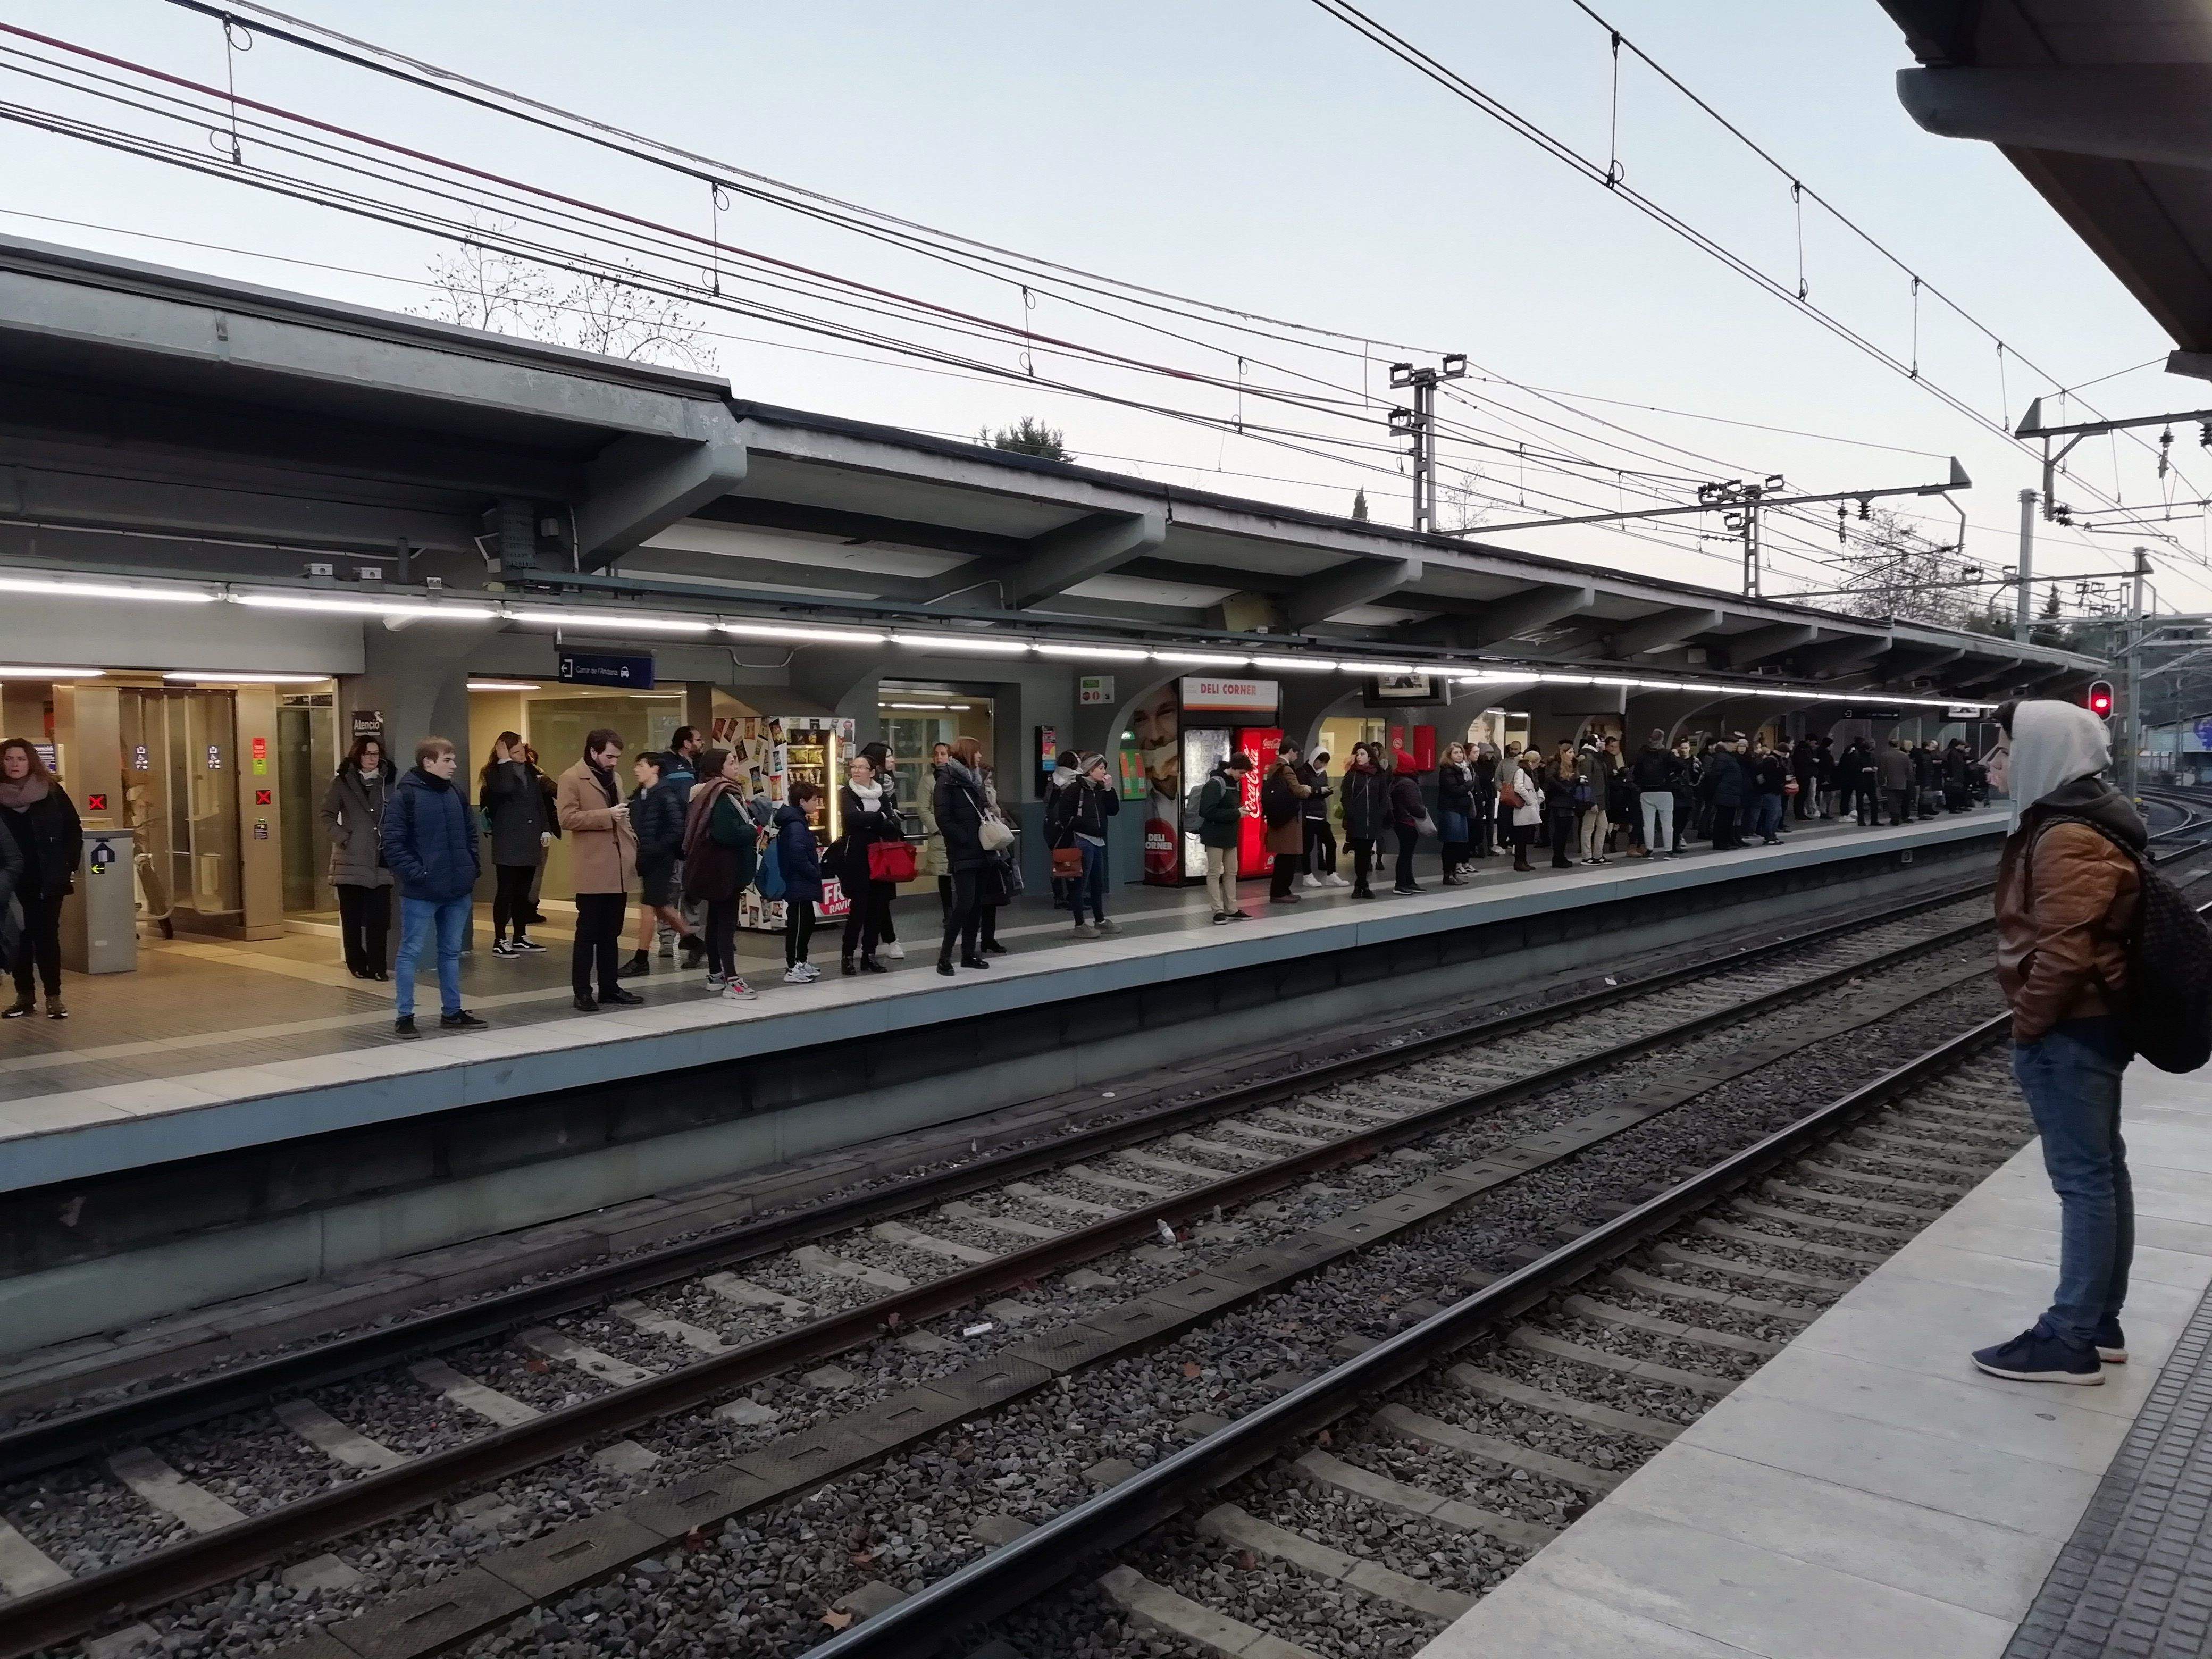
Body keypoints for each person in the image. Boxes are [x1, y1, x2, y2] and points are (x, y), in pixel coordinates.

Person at [1971, 699, 2144, 1385]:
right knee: (2102, 1172)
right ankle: (2098, 1323)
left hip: (2073, 1027)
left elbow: (2063, 953)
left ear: (2041, 755)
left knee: (2083, 1181)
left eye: (2005, 750)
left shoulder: (2065, 835)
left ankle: (2069, 1338)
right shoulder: (2084, 819)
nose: (1993, 763)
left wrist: (2028, 1024)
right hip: (2094, 1020)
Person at [379, 735, 483, 1037]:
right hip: (421, 891)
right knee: (410, 952)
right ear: (428, 762)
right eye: (447, 760)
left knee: (450, 953)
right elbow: (393, 844)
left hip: (456, 889)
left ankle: (452, 1012)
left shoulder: (456, 794)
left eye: (453, 759)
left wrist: (470, 869)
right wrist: (420, 874)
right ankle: (405, 1016)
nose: (454, 765)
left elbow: (470, 835)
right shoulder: (406, 797)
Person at [556, 728, 642, 1012]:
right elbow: (567, 818)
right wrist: (606, 816)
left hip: (618, 865)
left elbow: (622, 815)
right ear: (593, 752)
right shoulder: (571, 778)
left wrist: (633, 843)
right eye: (609, 756)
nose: (615, 762)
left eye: (617, 756)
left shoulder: (615, 778)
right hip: (592, 867)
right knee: (588, 933)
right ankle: (582, 991)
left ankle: (610, 987)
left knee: (612, 932)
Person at [0, 739, 79, 1019]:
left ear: (31, 761)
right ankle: (24, 996)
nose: (14, 764)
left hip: (46, 879)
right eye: (9, 758)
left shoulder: (51, 791)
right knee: (17, 937)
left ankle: (54, 997)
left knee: (46, 937)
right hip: (10, 882)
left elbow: (73, 828)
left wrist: (69, 865)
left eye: (20, 759)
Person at [680, 747, 758, 1000]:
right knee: (725, 926)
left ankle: (715, 974)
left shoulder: (708, 792)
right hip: (726, 870)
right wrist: (752, 830)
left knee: (714, 922)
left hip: (716, 868)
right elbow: (727, 833)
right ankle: (732, 980)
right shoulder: (722, 795)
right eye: (731, 762)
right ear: (719, 767)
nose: (736, 766)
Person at [322, 735, 395, 979]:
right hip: (350, 859)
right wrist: (344, 837)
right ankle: (356, 963)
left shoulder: (389, 782)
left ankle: (378, 966)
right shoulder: (342, 783)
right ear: (358, 756)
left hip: (380, 857)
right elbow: (326, 816)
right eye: (367, 754)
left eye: (376, 754)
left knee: (378, 917)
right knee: (352, 918)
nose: (372, 759)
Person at [477, 731, 554, 959]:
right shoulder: (495, 773)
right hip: (509, 842)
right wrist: (505, 763)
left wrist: (545, 827)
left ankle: (520, 936)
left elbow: (538, 802)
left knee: (523, 891)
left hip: (530, 839)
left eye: (522, 750)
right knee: (506, 891)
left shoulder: (531, 771)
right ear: (504, 753)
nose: (522, 755)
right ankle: (500, 939)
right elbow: (505, 790)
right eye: (516, 752)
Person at [623, 752, 698, 976]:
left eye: (641, 765)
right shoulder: (640, 796)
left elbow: (677, 830)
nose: (636, 770)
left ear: (655, 768)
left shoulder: (666, 795)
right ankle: (694, 942)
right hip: (647, 858)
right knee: (661, 906)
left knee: (648, 907)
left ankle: (641, 958)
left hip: (661, 859)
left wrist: (657, 849)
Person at [835, 752, 901, 974]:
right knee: (858, 909)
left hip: (881, 857)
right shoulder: (846, 793)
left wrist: (878, 820)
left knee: (878, 907)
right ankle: (847, 956)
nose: (855, 771)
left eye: (861, 767)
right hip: (857, 857)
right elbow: (852, 818)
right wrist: (879, 818)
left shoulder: (881, 794)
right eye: (853, 767)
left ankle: (869, 955)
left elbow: (892, 822)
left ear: (872, 772)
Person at [934, 738, 994, 974]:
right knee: (964, 904)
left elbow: (982, 809)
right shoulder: (947, 781)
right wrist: (965, 838)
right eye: (977, 752)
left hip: (981, 848)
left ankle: (969, 954)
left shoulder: (974, 779)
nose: (980, 757)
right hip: (963, 850)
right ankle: (944, 957)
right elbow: (943, 818)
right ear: (968, 753)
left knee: (976, 904)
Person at [1045, 750, 1121, 935]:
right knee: (1080, 883)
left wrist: (1110, 790)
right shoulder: (1075, 789)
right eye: (1101, 768)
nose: (1104, 772)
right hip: (1082, 840)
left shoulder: (1100, 790)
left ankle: (1100, 919)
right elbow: (1064, 815)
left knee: (1097, 883)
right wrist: (1084, 826)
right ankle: (1080, 924)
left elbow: (1113, 811)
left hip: (1098, 841)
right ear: (1089, 770)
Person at [657, 726, 705, 967]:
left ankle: (691, 937)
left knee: (693, 891)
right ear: (687, 743)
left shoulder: (700, 766)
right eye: (698, 740)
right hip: (675, 839)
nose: (702, 743)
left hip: (696, 838)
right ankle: (667, 940)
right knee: (671, 888)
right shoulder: (665, 764)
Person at [857, 740, 906, 961]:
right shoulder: (857, 789)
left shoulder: (887, 786)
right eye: (887, 757)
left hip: (888, 848)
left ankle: (880, 941)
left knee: (882, 897)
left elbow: (892, 818)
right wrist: (883, 818)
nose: (892, 761)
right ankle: (886, 940)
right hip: (867, 850)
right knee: (875, 898)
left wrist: (890, 820)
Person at [774, 780, 825, 984]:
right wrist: (814, 872)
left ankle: (801, 961)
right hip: (799, 882)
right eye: (815, 800)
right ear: (803, 802)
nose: (817, 804)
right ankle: (794, 965)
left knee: (807, 921)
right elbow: (797, 856)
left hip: (801, 883)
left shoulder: (797, 821)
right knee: (799, 923)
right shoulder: (795, 825)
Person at [1198, 750, 1253, 921]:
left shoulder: (1235, 784)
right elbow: (1206, 811)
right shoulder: (1215, 784)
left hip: (1229, 835)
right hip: (1214, 835)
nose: (1243, 777)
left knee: (1231, 872)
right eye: (1241, 773)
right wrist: (1236, 813)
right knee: (1214, 872)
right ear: (1232, 768)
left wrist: (1238, 812)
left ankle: (1231, 908)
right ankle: (1218, 911)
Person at [1262, 741, 1313, 903]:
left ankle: (1283, 890)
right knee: (1288, 857)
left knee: (1283, 856)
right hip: (1288, 820)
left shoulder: (1273, 768)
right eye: (1296, 753)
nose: (1297, 756)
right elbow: (1297, 791)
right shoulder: (1287, 769)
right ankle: (1280, 892)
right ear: (1290, 751)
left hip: (1277, 817)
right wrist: (1307, 789)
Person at [1337, 742, 1387, 899]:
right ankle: (1361, 884)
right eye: (1357, 754)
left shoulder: (1378, 774)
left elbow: (1384, 797)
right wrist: (1351, 813)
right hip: (1357, 820)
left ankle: (1362, 885)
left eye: (1363, 754)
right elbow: (1345, 797)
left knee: (1366, 853)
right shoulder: (1351, 775)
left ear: (1370, 757)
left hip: (1372, 820)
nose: (1360, 757)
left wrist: (1379, 814)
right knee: (1360, 854)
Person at [917, 741, 952, 926]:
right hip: (941, 836)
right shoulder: (928, 779)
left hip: (958, 834)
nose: (940, 757)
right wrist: (939, 829)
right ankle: (948, 912)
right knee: (944, 874)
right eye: (937, 753)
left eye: (944, 753)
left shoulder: (957, 777)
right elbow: (923, 809)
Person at [1630, 730, 1678, 859]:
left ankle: (1649, 851)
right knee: (1667, 823)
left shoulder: (1642, 755)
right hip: (1665, 791)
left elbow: (1635, 773)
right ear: (1662, 739)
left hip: (1646, 792)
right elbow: (1680, 767)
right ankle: (1669, 851)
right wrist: (1671, 778)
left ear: (1650, 739)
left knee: (1648, 823)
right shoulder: (1668, 754)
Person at [1300, 748, 1344, 887]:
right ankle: (1307, 875)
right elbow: (1302, 791)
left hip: (1321, 815)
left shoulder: (1323, 773)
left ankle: (1332, 874)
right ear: (1314, 759)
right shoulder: (1303, 772)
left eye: (1325, 763)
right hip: (1308, 815)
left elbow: (1321, 789)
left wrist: (1326, 792)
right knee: (1307, 847)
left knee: (1331, 843)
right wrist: (1318, 791)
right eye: (1321, 762)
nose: (1322, 766)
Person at [1435, 742, 1474, 885]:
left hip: (1461, 810)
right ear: (1449, 755)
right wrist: (1469, 785)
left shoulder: (1466, 769)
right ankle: (1448, 873)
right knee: (1450, 842)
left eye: (1460, 752)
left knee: (1459, 843)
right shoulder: (1447, 770)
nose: (1459, 755)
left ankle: (1454, 872)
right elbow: (1455, 790)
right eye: (1455, 753)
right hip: (1450, 810)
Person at [1387, 750, 1425, 894]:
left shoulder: (1397, 781)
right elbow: (1414, 805)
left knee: (1406, 853)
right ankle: (1401, 883)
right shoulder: (1408, 783)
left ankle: (1409, 881)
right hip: (1407, 822)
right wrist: (1423, 812)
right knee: (1406, 854)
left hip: (1401, 821)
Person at [1502, 745, 1544, 871]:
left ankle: (1523, 861)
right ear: (1531, 762)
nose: (1537, 766)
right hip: (1523, 807)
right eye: (1536, 763)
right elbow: (1519, 788)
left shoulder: (1529, 772)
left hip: (1527, 807)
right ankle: (1519, 862)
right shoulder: (1521, 772)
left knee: (1524, 835)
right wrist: (1530, 800)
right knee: (1520, 836)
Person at [1578, 736, 1615, 865]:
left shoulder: (1594, 757)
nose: (1603, 743)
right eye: (1601, 741)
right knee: (1589, 827)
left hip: (1600, 799)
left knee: (1602, 826)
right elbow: (1586, 781)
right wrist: (1591, 801)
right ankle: (1587, 856)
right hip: (1594, 799)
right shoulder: (1588, 758)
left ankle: (1597, 855)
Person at [1544, 740, 1580, 869]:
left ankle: (1561, 856)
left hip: (1568, 801)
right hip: (1559, 801)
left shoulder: (1572, 765)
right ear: (1563, 753)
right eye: (1570, 752)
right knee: (1560, 831)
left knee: (1565, 831)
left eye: (1573, 752)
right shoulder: (1556, 764)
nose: (1573, 755)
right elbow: (1549, 777)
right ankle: (1558, 857)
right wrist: (1563, 788)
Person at [1705, 738, 1746, 850]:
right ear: (1726, 744)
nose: (1735, 746)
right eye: (1733, 744)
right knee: (1723, 819)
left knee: (1728, 818)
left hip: (1730, 793)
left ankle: (1726, 840)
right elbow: (1716, 775)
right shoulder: (1723, 758)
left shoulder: (1727, 757)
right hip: (1725, 793)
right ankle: (1720, 842)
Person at [1753, 741, 1790, 844]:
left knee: (1777, 814)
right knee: (1773, 814)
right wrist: (1779, 786)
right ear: (1783, 753)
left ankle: (1772, 835)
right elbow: (1771, 777)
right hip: (1770, 791)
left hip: (1774, 791)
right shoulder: (1771, 761)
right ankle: (1768, 836)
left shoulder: (1775, 760)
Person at [1469, 742, 1498, 860]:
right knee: (1480, 822)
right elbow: (1485, 778)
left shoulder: (1484, 766)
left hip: (1487, 795)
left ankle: (1486, 845)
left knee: (1487, 822)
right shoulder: (1477, 767)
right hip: (1482, 796)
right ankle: (1481, 846)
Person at [1670, 740, 1698, 854]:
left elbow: (1698, 776)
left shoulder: (1694, 761)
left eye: (1686, 748)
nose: (1684, 750)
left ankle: (1676, 841)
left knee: (1684, 819)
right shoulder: (1676, 763)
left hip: (1688, 793)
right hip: (1678, 794)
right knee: (1677, 820)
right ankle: (1675, 843)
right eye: (1682, 748)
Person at [1878, 738, 1914, 827]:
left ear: (1889, 745)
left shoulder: (1884, 755)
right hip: (1902, 782)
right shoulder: (1905, 756)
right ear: (1898, 745)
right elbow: (1909, 771)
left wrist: (1881, 782)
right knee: (1899, 801)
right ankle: (1899, 817)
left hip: (1889, 781)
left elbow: (1882, 771)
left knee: (1892, 801)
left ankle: (1895, 818)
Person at [1814, 736, 1838, 820]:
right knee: (1829, 795)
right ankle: (1825, 811)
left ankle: (1825, 811)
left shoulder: (1820, 753)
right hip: (1827, 777)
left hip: (1824, 777)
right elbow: (1826, 767)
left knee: (1827, 795)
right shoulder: (1826, 755)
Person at [1945, 739, 1973, 812]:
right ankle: (1953, 808)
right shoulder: (1954, 753)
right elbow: (1952, 765)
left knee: (1958, 791)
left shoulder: (1957, 753)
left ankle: (1956, 807)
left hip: (1958, 774)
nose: (1964, 748)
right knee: (1955, 792)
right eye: (1964, 746)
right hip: (1955, 775)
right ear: (1960, 745)